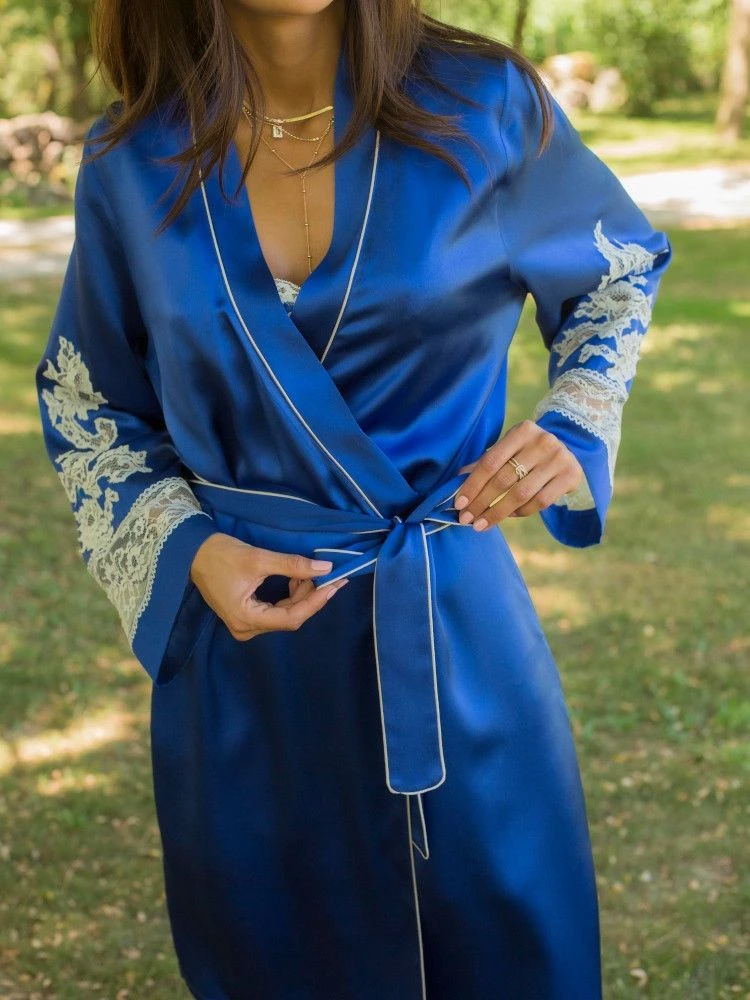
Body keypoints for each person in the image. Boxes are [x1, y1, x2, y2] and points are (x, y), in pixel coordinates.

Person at [34, 0, 672, 997]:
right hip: (248, 671)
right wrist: (191, 549)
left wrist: (580, 411)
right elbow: (90, 402)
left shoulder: (483, 105)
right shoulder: (132, 157)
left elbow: (614, 270)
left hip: (457, 647)